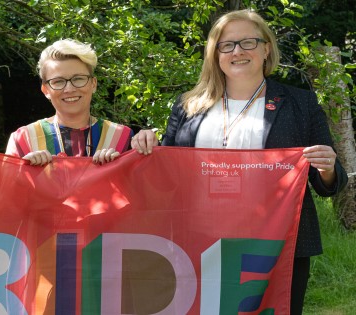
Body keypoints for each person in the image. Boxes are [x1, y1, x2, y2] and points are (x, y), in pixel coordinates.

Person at [132, 9, 348, 314]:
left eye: (248, 42)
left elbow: (330, 183)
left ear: (266, 48)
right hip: (197, 241)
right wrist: (146, 148)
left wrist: (326, 168)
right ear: (215, 53)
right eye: (227, 45)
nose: (238, 52)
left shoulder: (299, 103)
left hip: (274, 245)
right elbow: (167, 179)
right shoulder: (188, 106)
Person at [5, 39, 133, 165]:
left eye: (78, 79)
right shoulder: (24, 140)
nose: (70, 89)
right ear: (46, 90)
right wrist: (23, 171)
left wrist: (148, 143)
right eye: (58, 81)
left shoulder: (121, 138)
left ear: (93, 84)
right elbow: (5, 185)